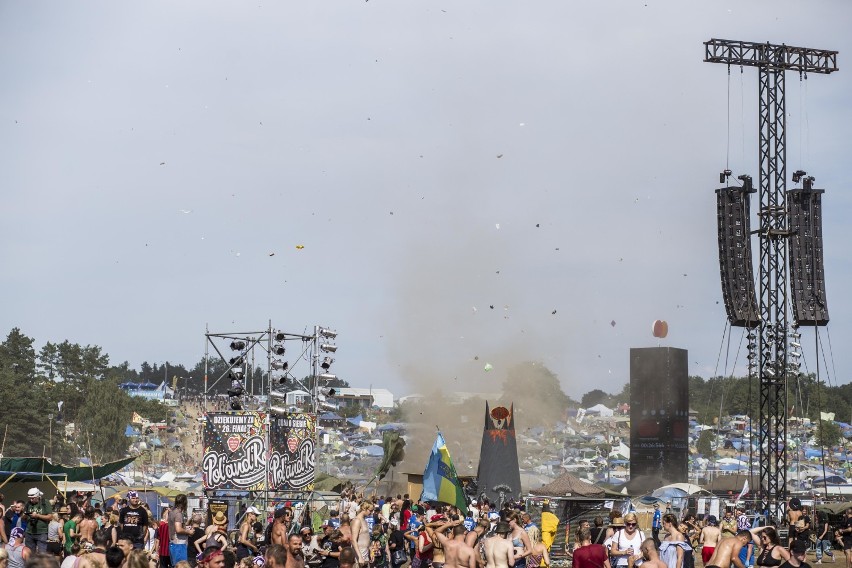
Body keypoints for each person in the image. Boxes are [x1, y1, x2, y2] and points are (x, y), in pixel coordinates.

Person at [23, 489, 52, 554]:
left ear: (38, 496)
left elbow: (50, 517)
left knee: (42, 553)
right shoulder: (28, 504)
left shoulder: (45, 502)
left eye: (33, 498)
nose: (31, 500)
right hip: (29, 532)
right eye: (30, 498)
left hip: (41, 532)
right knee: (30, 554)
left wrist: (37, 516)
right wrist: (25, 515)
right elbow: (23, 517)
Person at [169, 495, 192, 565]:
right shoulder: (178, 514)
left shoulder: (172, 512)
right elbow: (178, 529)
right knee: (182, 565)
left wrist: (185, 528)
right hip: (179, 545)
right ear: (184, 503)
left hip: (174, 544)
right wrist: (189, 532)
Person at [350, 503, 374, 568]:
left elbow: (366, 538)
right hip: (359, 556)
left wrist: (371, 552)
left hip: (366, 555)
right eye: (370, 510)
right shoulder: (357, 521)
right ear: (364, 509)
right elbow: (353, 540)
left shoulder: (364, 520)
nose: (372, 512)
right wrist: (360, 557)